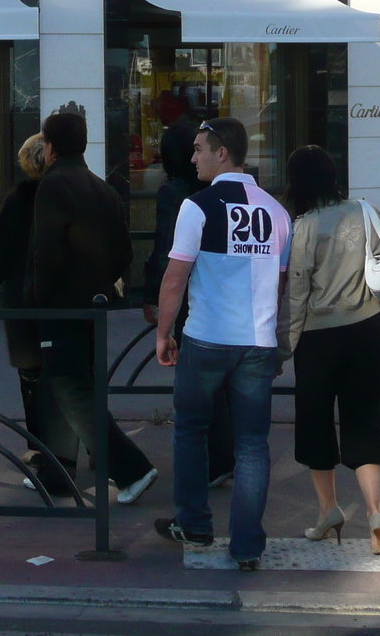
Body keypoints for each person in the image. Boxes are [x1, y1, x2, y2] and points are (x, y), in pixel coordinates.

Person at [153, 116, 291, 570]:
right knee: (252, 444)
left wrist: (164, 332)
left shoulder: (198, 206)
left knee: (191, 430)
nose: (192, 157)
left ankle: (193, 523)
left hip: (208, 338)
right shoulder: (276, 211)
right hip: (257, 341)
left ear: (222, 153)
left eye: (199, 149)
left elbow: (175, 278)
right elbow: (281, 282)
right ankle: (248, 545)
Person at [30, 109, 158, 504]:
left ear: (49, 148)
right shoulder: (103, 189)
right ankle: (57, 470)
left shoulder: (52, 186)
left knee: (72, 390)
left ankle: (133, 469)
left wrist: (36, 299)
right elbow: (123, 252)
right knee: (66, 383)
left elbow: (46, 254)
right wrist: (98, 284)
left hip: (60, 306)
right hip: (94, 307)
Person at [284, 145, 380, 555]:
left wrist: (284, 347)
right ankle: (376, 513)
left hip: (319, 337)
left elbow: (297, 295)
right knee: (363, 420)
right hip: (368, 329)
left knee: (315, 423)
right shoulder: (366, 212)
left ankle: (329, 510)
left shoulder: (306, 226)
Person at [0, 133, 77, 491]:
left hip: (24, 300)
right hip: (67, 299)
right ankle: (77, 450)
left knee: (33, 377)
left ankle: (41, 452)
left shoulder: (21, 199)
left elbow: (0, 247)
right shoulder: (72, 193)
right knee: (69, 377)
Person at [142, 123, 235, 489]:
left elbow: (165, 249)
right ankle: (225, 456)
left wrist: (154, 298)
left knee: (196, 385)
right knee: (224, 382)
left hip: (189, 296)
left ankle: (205, 473)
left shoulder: (175, 192)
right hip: (223, 293)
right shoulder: (216, 188)